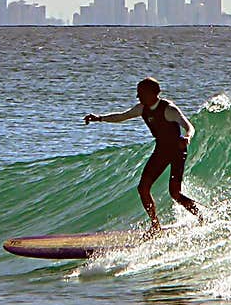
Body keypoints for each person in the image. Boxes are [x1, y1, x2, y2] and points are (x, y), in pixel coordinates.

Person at [84, 77, 201, 232]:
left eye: (140, 93)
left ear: (153, 93)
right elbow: (122, 116)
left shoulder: (169, 109)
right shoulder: (142, 109)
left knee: (175, 193)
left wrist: (187, 137)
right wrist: (99, 118)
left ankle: (201, 216)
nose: (138, 97)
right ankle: (155, 226)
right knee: (143, 188)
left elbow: (189, 126)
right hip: (161, 149)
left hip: (177, 151)